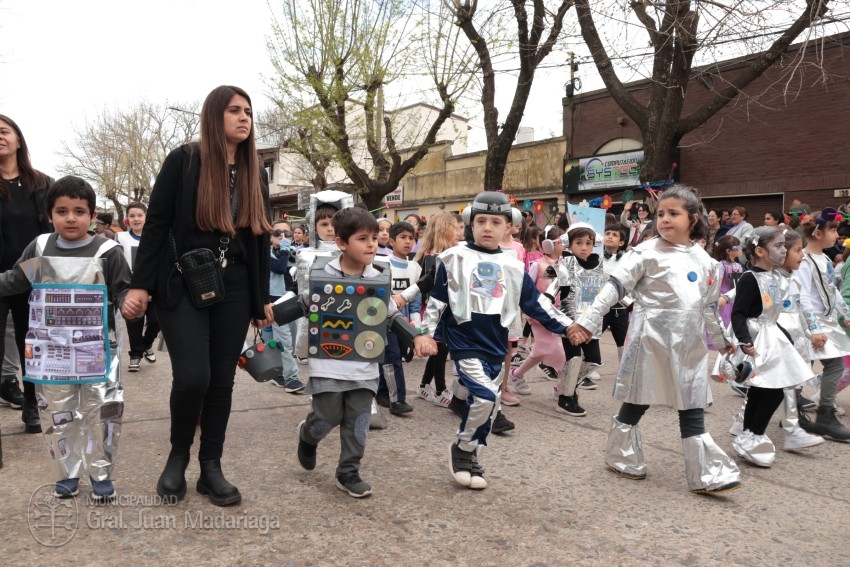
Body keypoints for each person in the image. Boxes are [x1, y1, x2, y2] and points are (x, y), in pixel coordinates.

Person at [122, 85, 274, 507]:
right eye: (234, 111)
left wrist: (261, 297)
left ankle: (211, 467)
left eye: (248, 111)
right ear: (214, 115)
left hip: (237, 285)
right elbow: (156, 225)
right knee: (193, 377)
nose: (244, 118)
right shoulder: (185, 159)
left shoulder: (254, 171)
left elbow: (259, 238)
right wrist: (140, 283)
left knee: (222, 381)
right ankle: (177, 457)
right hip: (182, 281)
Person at [569, 185, 741, 495]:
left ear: (693, 220)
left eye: (673, 213)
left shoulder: (706, 262)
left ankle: (705, 473)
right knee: (639, 398)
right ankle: (620, 453)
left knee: (691, 402)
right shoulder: (644, 252)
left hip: (689, 345)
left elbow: (709, 308)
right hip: (650, 339)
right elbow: (613, 289)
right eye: (661, 213)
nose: (664, 219)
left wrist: (722, 339)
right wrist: (588, 319)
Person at [274, 207, 436, 497]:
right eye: (363, 238)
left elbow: (390, 315)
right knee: (326, 419)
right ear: (342, 243)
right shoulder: (323, 274)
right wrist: (269, 315)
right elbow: (302, 304)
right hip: (328, 364)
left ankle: (348, 471)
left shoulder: (377, 278)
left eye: (374, 237)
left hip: (364, 366)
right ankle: (308, 435)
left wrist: (416, 337)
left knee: (359, 421)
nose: (372, 244)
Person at [422, 191, 573, 490]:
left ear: (509, 227)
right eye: (481, 221)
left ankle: (473, 454)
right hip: (464, 342)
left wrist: (569, 326)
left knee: (488, 407)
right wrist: (427, 334)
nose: (488, 227)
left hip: (496, 345)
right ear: (470, 224)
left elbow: (535, 304)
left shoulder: (514, 266)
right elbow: (437, 301)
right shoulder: (452, 257)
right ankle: (462, 449)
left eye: (495, 221)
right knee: (488, 398)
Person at [0, 176, 131, 498]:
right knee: (57, 414)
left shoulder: (108, 250)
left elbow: (124, 288)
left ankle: (101, 475)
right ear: (50, 215)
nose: (70, 218)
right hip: (52, 354)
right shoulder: (40, 247)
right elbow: (16, 280)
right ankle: (66, 473)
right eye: (62, 211)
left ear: (92, 214)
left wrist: (133, 303)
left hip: (98, 352)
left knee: (103, 411)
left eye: (79, 211)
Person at [728, 227, 818, 467]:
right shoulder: (750, 278)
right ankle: (753, 432)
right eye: (778, 246)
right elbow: (738, 313)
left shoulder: (776, 276)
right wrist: (744, 340)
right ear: (759, 251)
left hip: (774, 336)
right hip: (758, 339)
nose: (784, 250)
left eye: (785, 246)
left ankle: (750, 433)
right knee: (768, 388)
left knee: (768, 388)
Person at [0, 114, 53, 432]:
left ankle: (32, 406)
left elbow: (49, 233)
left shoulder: (41, 183)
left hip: (31, 276)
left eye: (4, 131)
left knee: (31, 345)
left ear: (18, 139)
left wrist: (32, 272)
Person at [540, 222, 606, 417]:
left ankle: (565, 387)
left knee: (594, 361)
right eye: (579, 242)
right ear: (569, 244)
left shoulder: (601, 266)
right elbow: (550, 294)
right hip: (570, 324)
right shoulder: (564, 267)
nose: (584, 247)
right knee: (574, 359)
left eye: (589, 242)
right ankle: (566, 398)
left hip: (592, 324)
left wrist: (631, 302)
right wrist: (543, 306)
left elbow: (613, 291)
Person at [796, 209, 850, 440]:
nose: (837, 235)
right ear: (818, 233)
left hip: (826, 322)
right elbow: (804, 297)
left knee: (833, 366)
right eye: (833, 230)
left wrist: (846, 313)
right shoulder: (804, 260)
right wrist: (813, 329)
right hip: (811, 323)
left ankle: (822, 415)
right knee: (797, 369)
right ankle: (794, 415)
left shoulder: (825, 259)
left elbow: (832, 291)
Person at [509, 227, 565, 387]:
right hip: (540, 315)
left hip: (557, 314)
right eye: (561, 241)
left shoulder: (564, 264)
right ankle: (563, 389)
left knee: (540, 351)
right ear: (549, 244)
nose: (565, 245)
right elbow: (528, 288)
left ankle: (516, 374)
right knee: (559, 353)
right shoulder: (538, 265)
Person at [377, 220, 421, 415]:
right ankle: (398, 400)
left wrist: (416, 323)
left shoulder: (415, 268)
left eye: (411, 238)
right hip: (385, 319)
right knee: (391, 356)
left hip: (404, 322)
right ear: (392, 241)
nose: (407, 242)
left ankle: (382, 391)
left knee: (395, 355)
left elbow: (416, 297)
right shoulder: (382, 264)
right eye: (403, 237)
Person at [116, 202, 160, 373]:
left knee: (156, 320)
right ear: (127, 219)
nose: (136, 219)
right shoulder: (120, 238)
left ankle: (146, 345)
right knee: (134, 321)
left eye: (139, 215)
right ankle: (135, 356)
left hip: (154, 287)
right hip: (130, 287)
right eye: (132, 216)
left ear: (145, 217)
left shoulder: (156, 238)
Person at [267, 219, 304, 393]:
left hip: (293, 299)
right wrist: (284, 248)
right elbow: (280, 268)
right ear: (270, 236)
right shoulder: (266, 254)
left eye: (287, 233)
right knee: (284, 342)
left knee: (291, 339)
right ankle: (291, 378)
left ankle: (278, 374)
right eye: (277, 233)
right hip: (275, 302)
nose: (282, 237)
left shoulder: (295, 253)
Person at [712, 235, 743, 328]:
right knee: (724, 321)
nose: (741, 249)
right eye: (738, 247)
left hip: (734, 297)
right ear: (729, 251)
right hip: (723, 297)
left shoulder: (739, 266)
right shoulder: (721, 265)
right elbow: (718, 283)